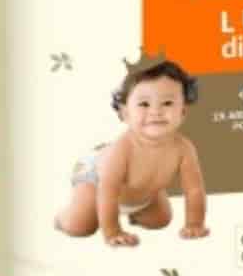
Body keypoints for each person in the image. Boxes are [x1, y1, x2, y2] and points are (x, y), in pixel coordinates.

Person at [54, 58, 209, 246]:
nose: (156, 111)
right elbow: (108, 192)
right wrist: (113, 232)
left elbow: (194, 190)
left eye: (167, 103)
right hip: (96, 180)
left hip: (137, 193)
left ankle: (136, 210)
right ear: (125, 113)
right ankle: (61, 218)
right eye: (144, 104)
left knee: (160, 220)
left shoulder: (184, 149)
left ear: (182, 112)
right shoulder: (122, 149)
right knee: (80, 226)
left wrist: (194, 224)